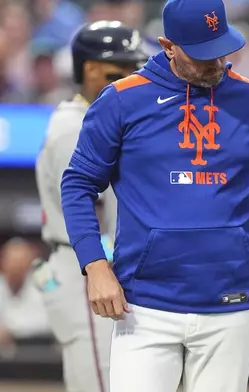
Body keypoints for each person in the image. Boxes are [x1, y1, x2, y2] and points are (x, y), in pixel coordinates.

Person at [59, 1, 249, 391]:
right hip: (145, 304)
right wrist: (95, 265)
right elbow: (78, 184)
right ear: (168, 45)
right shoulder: (122, 99)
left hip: (231, 298)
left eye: (221, 50)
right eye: (202, 54)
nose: (215, 63)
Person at [34, 21, 147, 392]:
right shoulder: (74, 126)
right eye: (122, 67)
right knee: (101, 381)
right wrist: (105, 266)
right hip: (84, 267)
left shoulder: (97, 116)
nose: (132, 75)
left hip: (87, 265)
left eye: (136, 66)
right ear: (90, 69)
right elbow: (87, 211)